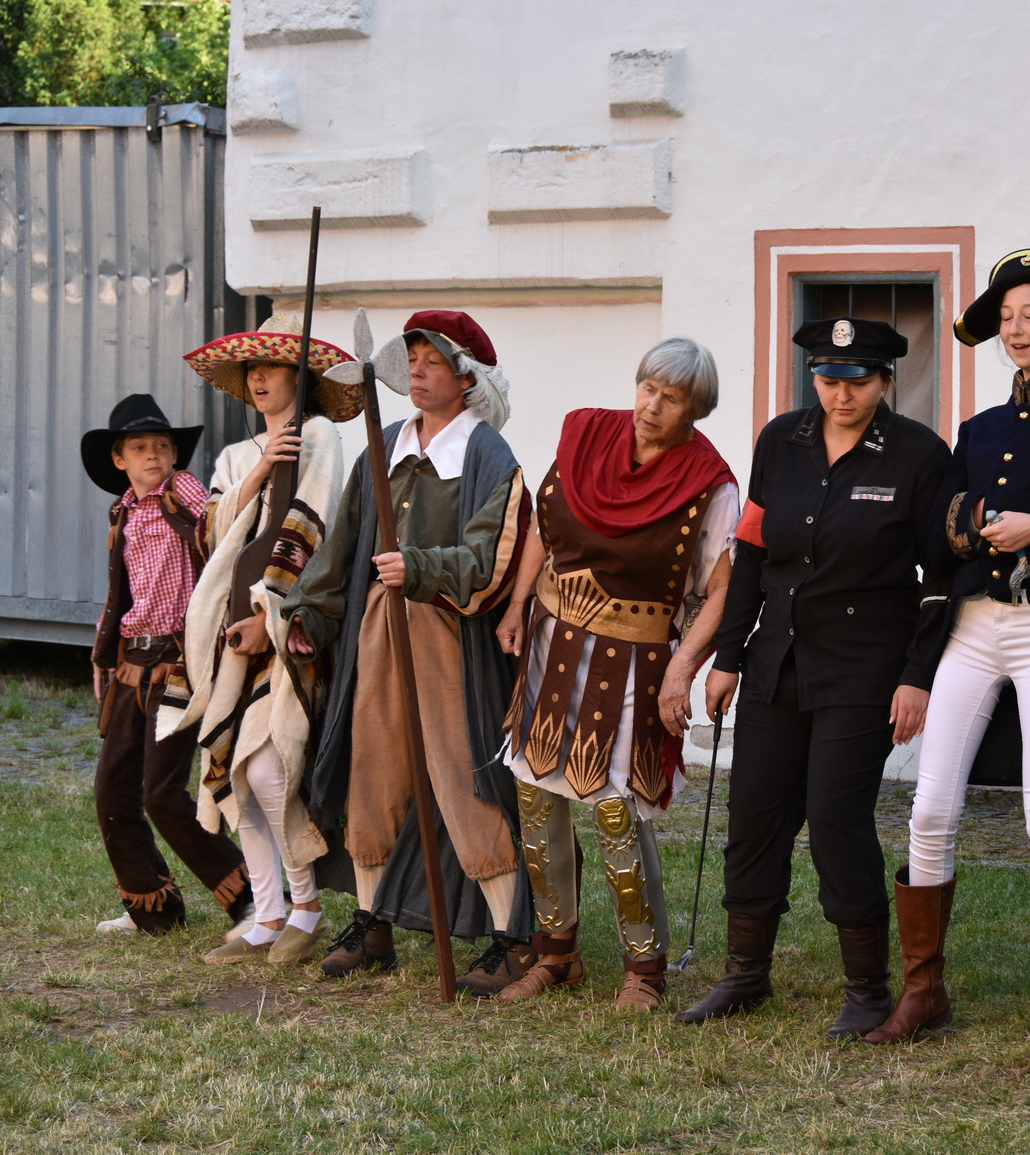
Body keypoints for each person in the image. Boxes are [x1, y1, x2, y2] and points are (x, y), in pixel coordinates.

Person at [866, 249, 1030, 1050]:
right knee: (930, 809)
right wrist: (980, 517)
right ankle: (924, 991)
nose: (1015, 328)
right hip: (974, 628)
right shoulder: (979, 429)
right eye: (1006, 317)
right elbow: (941, 528)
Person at [678, 317, 951, 1040]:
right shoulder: (781, 441)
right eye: (828, 380)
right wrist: (728, 656)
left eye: (857, 381)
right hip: (778, 660)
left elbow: (939, 579)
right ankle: (745, 972)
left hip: (864, 667)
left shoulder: (919, 454)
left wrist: (918, 676)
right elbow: (752, 554)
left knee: (835, 818)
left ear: (885, 380)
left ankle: (867, 989)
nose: (841, 395)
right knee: (754, 814)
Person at [284, 311, 533, 994]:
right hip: (378, 628)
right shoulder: (384, 443)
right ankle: (372, 925)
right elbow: (343, 542)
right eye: (412, 358)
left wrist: (419, 566)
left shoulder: (488, 455)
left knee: (463, 774)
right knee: (375, 772)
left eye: (433, 360)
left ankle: (512, 937)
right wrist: (309, 610)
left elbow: (492, 556)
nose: (417, 370)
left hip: (448, 634)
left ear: (466, 377)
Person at [495, 337, 737, 1013]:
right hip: (552, 642)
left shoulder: (709, 483)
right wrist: (516, 604)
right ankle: (557, 954)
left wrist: (683, 668)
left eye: (671, 397)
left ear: (695, 410)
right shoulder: (586, 437)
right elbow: (542, 531)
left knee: (613, 805)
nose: (651, 405)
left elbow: (723, 587)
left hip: (634, 660)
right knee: (536, 795)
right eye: (648, 388)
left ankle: (644, 968)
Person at [156, 314, 351, 966]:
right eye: (252, 370)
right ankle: (266, 914)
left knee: (270, 768)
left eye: (273, 367)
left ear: (302, 377)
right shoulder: (239, 455)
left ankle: (307, 907)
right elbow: (212, 535)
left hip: (289, 632)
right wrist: (261, 469)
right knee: (237, 777)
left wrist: (271, 620)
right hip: (229, 635)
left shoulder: (318, 436)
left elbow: (313, 529)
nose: (259, 379)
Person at [81, 394, 251, 937]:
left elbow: (227, 523)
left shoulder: (184, 492)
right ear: (119, 460)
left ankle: (249, 899)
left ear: (175, 454)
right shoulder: (122, 513)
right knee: (113, 790)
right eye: (138, 448)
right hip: (133, 659)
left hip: (180, 660)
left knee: (161, 792)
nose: (152, 455)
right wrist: (104, 651)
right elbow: (123, 589)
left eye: (161, 446)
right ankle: (152, 908)